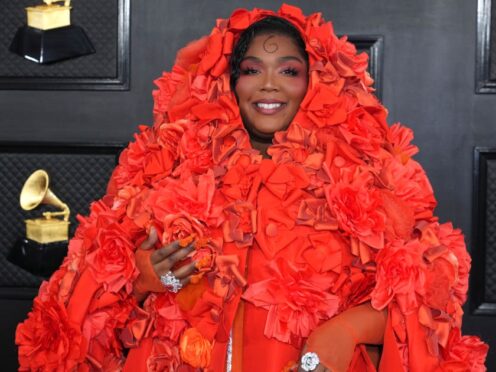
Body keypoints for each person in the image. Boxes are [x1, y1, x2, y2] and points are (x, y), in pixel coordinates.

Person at [16, 4, 488, 372]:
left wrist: (349, 330)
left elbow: (431, 289)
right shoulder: (168, 164)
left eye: (288, 70)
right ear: (227, 80)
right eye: (250, 70)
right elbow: (83, 288)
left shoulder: (368, 171)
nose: (269, 85)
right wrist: (144, 277)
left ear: (316, 81)